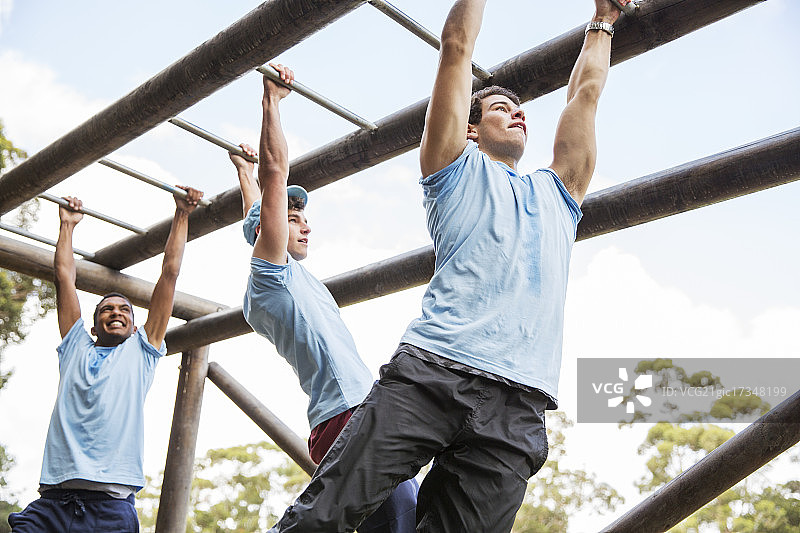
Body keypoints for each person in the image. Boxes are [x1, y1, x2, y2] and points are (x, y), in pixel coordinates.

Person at [266, 0, 622, 531]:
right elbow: (456, 48)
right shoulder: (453, 169)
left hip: (518, 407)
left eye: (520, 108)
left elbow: (586, 94)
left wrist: (604, 20)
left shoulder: (561, 192)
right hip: (434, 372)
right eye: (501, 107)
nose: (517, 111)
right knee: (324, 515)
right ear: (471, 130)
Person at [229, 63, 417, 533]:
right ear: (270, 232)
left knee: (401, 519)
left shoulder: (287, 276)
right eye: (293, 217)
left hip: (354, 415)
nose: (305, 222)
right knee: (400, 521)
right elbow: (276, 180)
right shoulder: (270, 276)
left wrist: (243, 173)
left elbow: (259, 202)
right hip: (348, 416)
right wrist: (270, 103)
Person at [8, 186, 203, 532]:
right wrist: (67, 225)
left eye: (124, 309)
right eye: (106, 309)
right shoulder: (75, 348)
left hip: (108, 508)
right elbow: (64, 277)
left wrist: (182, 214)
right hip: (53, 501)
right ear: (94, 324)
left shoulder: (141, 351)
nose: (116, 312)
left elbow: (170, 273)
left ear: (134, 324)